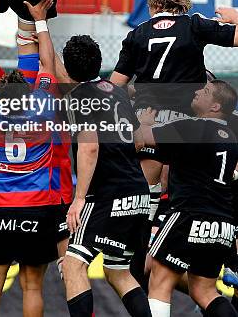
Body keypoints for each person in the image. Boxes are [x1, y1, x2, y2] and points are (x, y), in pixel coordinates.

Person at [0, 0, 60, 316]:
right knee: (32, 287)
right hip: (37, 208)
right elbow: (48, 63)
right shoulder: (42, 108)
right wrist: (39, 20)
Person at [61, 35, 151, 317]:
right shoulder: (117, 91)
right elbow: (139, 141)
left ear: (68, 69)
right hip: (137, 192)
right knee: (118, 271)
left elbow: (89, 147)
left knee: (73, 264)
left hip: (107, 195)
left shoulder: (78, 98)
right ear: (99, 63)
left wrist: (78, 200)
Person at [140, 80, 238, 317]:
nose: (196, 92)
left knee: (159, 281)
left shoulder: (192, 127)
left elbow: (141, 138)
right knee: (204, 291)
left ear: (215, 106)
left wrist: (143, 123)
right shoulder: (230, 136)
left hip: (189, 215)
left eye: (204, 91)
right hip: (222, 223)